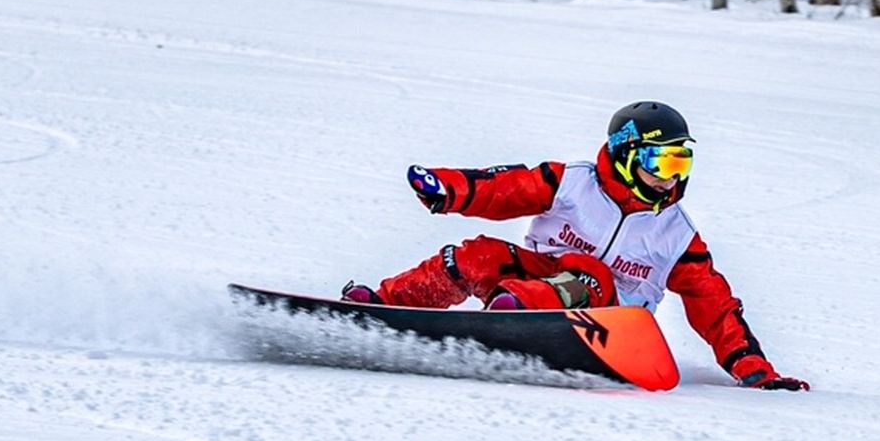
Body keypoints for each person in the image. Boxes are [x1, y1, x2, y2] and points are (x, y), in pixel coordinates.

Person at [343, 101, 809, 391]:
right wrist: (447, 190)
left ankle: (509, 316)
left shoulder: (676, 233)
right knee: (478, 254)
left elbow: (716, 306)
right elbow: (506, 187)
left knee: (590, 274)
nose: (672, 175)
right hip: (534, 283)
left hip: (608, 323)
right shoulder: (572, 183)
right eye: (662, 159)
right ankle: (384, 307)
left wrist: (753, 367)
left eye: (681, 161)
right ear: (628, 153)